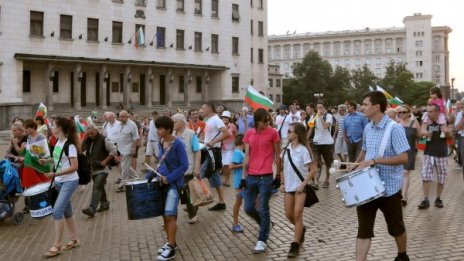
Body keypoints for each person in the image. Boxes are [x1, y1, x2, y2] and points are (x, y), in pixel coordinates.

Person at [350, 91, 410, 261]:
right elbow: (365, 149)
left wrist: (375, 161)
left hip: (389, 189)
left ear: (376, 107)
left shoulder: (395, 128)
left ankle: (402, 255)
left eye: (365, 104)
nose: (362, 107)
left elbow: (404, 157)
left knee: (396, 228)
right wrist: (356, 164)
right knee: (363, 229)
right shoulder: (368, 127)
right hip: (367, 186)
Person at [145, 116, 188, 261]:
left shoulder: (178, 144)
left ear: (168, 129)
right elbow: (162, 162)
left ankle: (171, 248)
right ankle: (171, 243)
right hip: (161, 182)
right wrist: (152, 173)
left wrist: (169, 178)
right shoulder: (161, 141)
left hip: (174, 184)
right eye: (157, 128)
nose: (157, 130)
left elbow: (184, 165)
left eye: (160, 128)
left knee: (169, 215)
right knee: (165, 214)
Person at [40, 117, 81, 258]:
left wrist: (54, 173)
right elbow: (59, 159)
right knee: (67, 211)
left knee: (57, 211)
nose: (51, 127)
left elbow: (74, 167)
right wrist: (47, 160)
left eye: (54, 125)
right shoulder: (58, 141)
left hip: (69, 181)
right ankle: (74, 239)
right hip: (59, 181)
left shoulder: (70, 145)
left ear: (60, 128)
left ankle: (56, 245)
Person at [242, 108, 280, 254]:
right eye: (264, 120)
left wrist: (279, 175)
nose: (267, 122)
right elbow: (247, 156)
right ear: (257, 120)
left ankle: (262, 239)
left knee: (263, 208)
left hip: (266, 176)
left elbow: (278, 155)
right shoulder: (249, 133)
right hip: (251, 176)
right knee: (248, 208)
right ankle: (266, 224)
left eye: (268, 119)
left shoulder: (273, 132)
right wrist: (243, 178)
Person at [279, 122, 316, 258]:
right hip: (288, 187)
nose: (287, 134)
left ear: (297, 134)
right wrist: (282, 182)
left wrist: (303, 184)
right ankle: (301, 229)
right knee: (289, 215)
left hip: (300, 188)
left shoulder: (304, 150)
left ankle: (295, 244)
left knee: (297, 214)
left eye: (290, 131)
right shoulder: (286, 149)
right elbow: (281, 168)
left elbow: (313, 170)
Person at [418, 104, 452, 209]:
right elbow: (421, 133)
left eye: (431, 111)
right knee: (425, 176)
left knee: (441, 177)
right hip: (428, 152)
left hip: (441, 153)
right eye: (428, 111)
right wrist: (426, 133)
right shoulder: (426, 120)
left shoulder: (444, 121)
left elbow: (450, 137)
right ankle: (426, 199)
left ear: (437, 112)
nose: (429, 113)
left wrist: (446, 132)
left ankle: (438, 198)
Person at [81, 124, 117, 217]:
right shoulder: (88, 140)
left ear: (97, 131)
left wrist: (105, 161)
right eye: (88, 134)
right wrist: (84, 138)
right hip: (93, 168)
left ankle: (92, 209)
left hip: (103, 168)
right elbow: (81, 149)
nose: (90, 135)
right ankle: (104, 203)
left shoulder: (104, 139)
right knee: (100, 187)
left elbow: (114, 150)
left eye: (92, 133)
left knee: (96, 186)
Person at [172, 113, 201, 224]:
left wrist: (197, 168)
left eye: (175, 122)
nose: (173, 124)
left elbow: (197, 151)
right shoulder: (172, 134)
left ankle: (193, 214)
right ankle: (171, 218)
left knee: (189, 193)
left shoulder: (191, 134)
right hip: (174, 170)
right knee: (173, 194)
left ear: (182, 122)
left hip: (188, 169)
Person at [201, 101, 231, 211]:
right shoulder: (209, 120)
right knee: (215, 177)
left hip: (213, 152)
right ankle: (222, 202)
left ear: (209, 109)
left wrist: (213, 142)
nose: (201, 110)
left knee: (199, 176)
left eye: (203, 108)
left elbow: (227, 133)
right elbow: (209, 136)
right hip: (208, 151)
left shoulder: (216, 120)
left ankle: (195, 204)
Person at [396, 105, 421, 207]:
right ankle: (398, 193)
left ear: (409, 112)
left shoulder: (414, 123)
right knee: (399, 173)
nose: (401, 114)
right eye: (399, 112)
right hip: (397, 152)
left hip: (409, 151)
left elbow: (420, 136)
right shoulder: (396, 123)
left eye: (404, 112)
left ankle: (404, 196)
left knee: (405, 172)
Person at [310, 100, 334, 188]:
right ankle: (315, 182)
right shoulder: (314, 116)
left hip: (327, 143)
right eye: (318, 107)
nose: (319, 109)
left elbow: (325, 126)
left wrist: (320, 117)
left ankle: (327, 180)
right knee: (315, 162)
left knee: (328, 163)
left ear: (325, 108)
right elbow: (311, 128)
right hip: (316, 142)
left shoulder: (329, 116)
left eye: (321, 107)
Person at [115, 110, 140, 192]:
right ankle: (136, 178)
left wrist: (133, 149)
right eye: (120, 117)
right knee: (126, 166)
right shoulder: (119, 124)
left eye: (123, 117)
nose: (121, 118)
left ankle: (123, 185)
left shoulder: (132, 125)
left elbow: (136, 138)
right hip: (121, 148)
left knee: (124, 167)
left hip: (128, 149)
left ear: (127, 116)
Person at [230, 134, 245, 233]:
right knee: (238, 203)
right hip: (239, 182)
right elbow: (231, 166)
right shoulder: (237, 152)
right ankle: (235, 224)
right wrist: (244, 164)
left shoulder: (241, 152)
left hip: (244, 181)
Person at [220, 111, 237, 187]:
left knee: (227, 164)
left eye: (226, 117)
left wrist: (236, 145)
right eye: (223, 117)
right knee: (223, 164)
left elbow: (236, 135)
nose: (225, 119)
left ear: (229, 118)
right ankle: (225, 179)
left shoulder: (232, 126)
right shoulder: (220, 126)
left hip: (230, 148)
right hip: (221, 148)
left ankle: (227, 180)